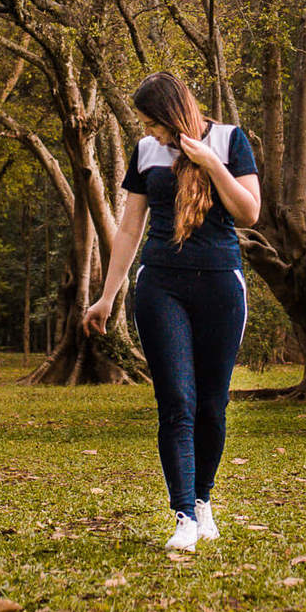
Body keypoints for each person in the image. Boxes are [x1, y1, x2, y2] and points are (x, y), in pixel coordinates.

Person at [84, 71, 261, 553]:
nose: (147, 133)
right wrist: (107, 295)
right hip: (161, 286)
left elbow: (249, 214)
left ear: (170, 114)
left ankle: (203, 500)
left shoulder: (229, 140)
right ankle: (183, 513)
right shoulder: (146, 155)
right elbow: (128, 229)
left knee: (211, 404)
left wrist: (210, 164)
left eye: (150, 123)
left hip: (222, 287)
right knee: (177, 402)